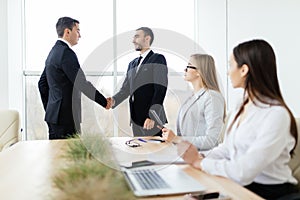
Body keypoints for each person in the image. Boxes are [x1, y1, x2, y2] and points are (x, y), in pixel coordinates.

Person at [177, 39, 299, 199]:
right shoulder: (241, 106)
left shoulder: (276, 115)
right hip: (237, 184)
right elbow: (227, 149)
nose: (227, 72)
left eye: (230, 65)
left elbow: (244, 170)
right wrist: (200, 158)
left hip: (268, 193)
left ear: (244, 70)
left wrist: (201, 163)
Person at [38, 17, 111, 140]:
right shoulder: (66, 54)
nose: (80, 35)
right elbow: (82, 83)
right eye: (77, 30)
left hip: (54, 118)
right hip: (67, 118)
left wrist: (51, 108)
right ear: (67, 32)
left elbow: (42, 84)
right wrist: (104, 102)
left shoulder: (53, 52)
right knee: (70, 157)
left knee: (56, 155)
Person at [110, 27, 168, 137]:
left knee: (153, 152)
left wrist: (152, 116)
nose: (133, 40)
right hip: (136, 120)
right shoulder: (132, 64)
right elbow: (125, 89)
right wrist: (113, 101)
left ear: (147, 38)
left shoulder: (157, 58)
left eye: (137, 36)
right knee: (139, 152)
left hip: (151, 121)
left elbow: (160, 89)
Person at [161, 54, 225, 150]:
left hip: (203, 157)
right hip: (185, 152)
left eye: (188, 66)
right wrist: (172, 138)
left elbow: (211, 140)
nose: (185, 70)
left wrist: (176, 139)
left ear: (199, 71)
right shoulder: (192, 97)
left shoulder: (212, 97)